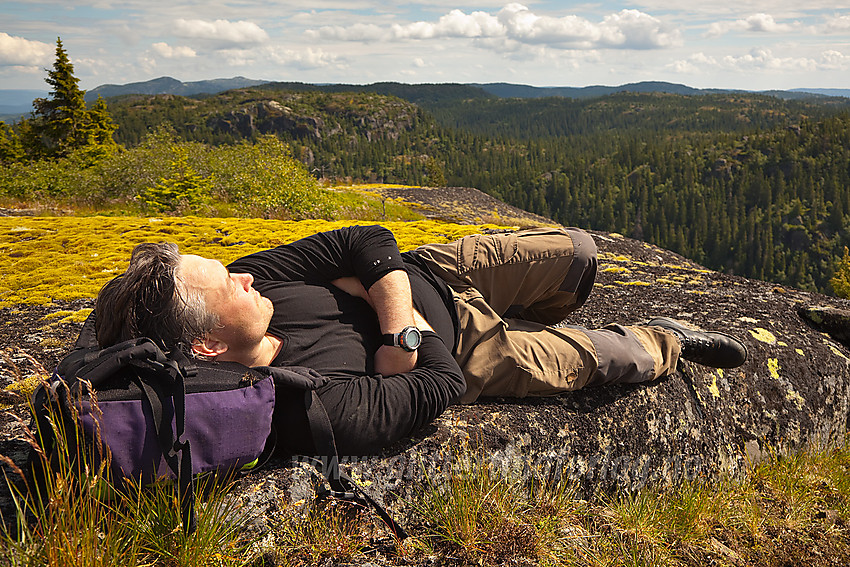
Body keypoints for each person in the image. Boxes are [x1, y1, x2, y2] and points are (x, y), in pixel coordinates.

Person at [94, 225, 747, 455]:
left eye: (230, 266)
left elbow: (365, 239)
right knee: (614, 356)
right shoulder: (310, 405)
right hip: (472, 351)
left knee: (581, 254)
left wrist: (395, 320)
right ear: (207, 346)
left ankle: (540, 304)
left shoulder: (257, 286)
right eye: (227, 285)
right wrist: (393, 310)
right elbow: (441, 384)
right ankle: (671, 339)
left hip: (432, 269)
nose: (242, 274)